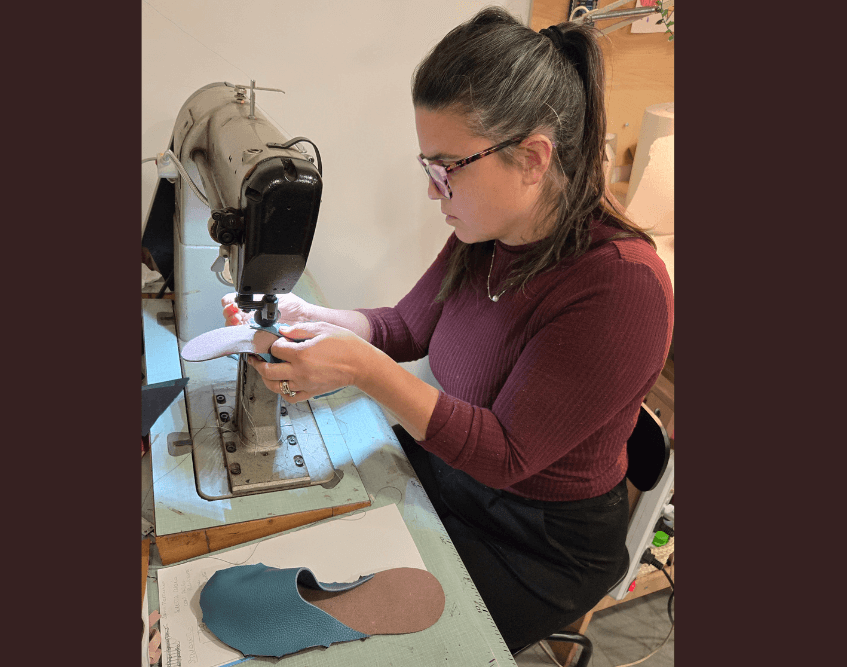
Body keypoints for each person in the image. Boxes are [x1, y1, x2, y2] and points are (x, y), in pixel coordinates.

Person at [222, 7, 673, 652]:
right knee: (309, 544)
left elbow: (507, 455)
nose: (435, 192)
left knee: (378, 643)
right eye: (427, 166)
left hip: (538, 542)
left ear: (532, 159)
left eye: (446, 168)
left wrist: (359, 368)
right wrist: (310, 316)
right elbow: (406, 326)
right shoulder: (488, 233)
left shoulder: (621, 289)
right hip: (457, 477)